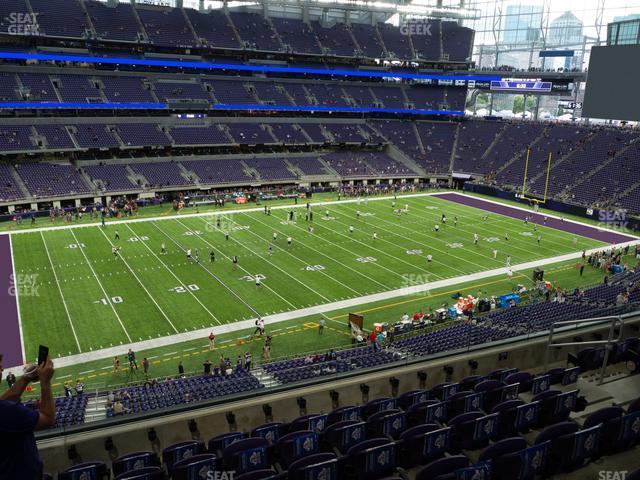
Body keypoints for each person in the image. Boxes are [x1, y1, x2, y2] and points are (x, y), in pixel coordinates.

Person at [0, 354, 56, 480]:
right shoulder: (7, 410)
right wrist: (45, 382)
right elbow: (48, 419)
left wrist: (26, 378)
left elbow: (2, 401)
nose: (2, 370)